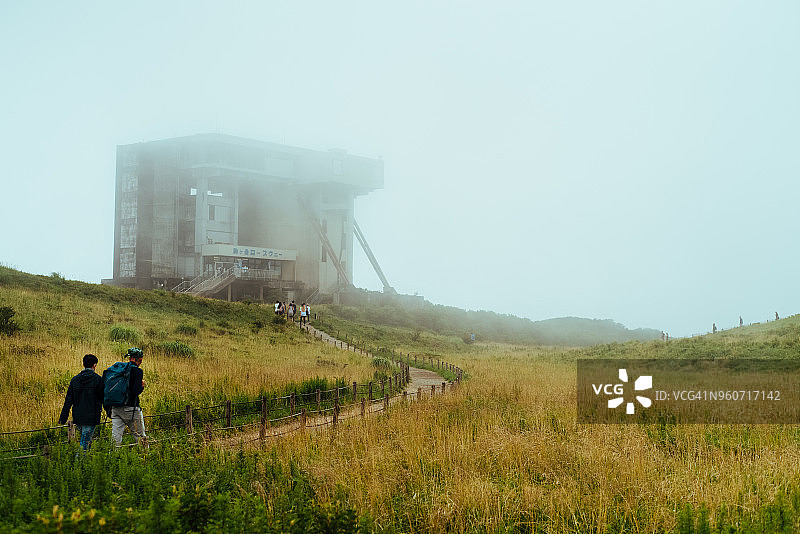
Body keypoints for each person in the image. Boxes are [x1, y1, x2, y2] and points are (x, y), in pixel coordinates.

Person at [59, 354, 105, 451]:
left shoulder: (75, 380)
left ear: (83, 364)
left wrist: (63, 418)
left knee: (85, 439)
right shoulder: (98, 379)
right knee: (85, 441)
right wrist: (110, 412)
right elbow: (102, 398)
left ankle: (85, 460)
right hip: (92, 416)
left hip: (78, 416)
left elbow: (68, 400)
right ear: (94, 365)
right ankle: (80, 462)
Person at [108, 347, 147, 446]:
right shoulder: (138, 371)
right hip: (131, 409)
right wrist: (142, 386)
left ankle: (113, 458)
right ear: (140, 359)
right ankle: (145, 458)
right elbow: (135, 391)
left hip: (116, 408)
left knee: (115, 438)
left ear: (129, 358)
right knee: (140, 436)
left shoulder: (120, 369)